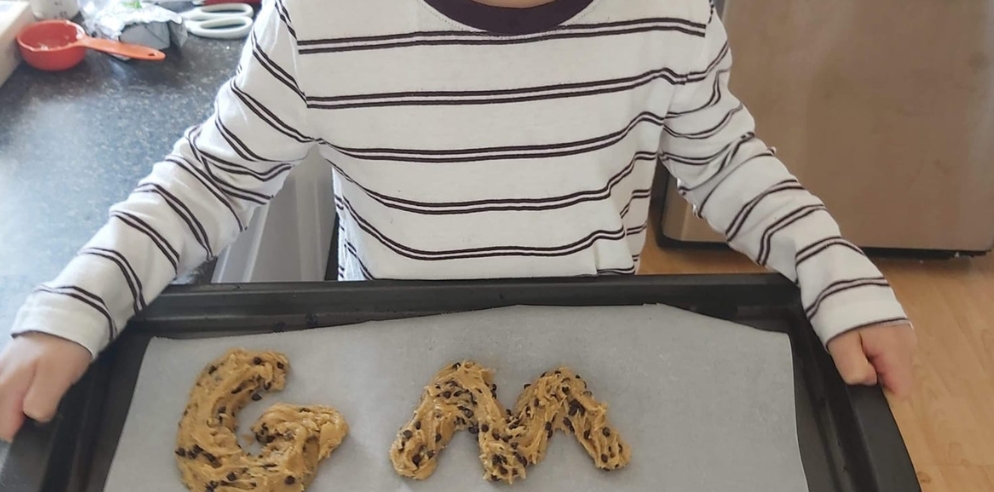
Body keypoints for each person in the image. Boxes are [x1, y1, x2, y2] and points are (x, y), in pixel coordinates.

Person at [0, 0, 916, 443]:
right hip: (391, 356)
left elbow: (722, 160)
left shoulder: (668, 13)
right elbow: (213, 177)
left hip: (590, 354)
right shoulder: (323, 20)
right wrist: (79, 306)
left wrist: (835, 274)